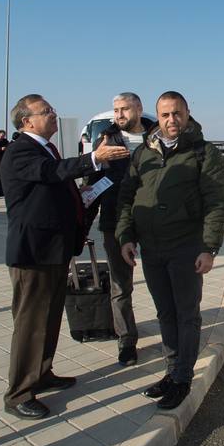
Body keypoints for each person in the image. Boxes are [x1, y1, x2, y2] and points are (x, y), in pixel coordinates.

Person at [0, 94, 117, 419]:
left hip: (53, 250)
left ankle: (43, 372)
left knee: (49, 318)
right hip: (33, 254)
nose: (54, 115)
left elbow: (54, 182)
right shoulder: (21, 150)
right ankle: (19, 392)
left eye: (52, 110)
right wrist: (93, 158)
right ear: (27, 121)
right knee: (31, 323)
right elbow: (51, 172)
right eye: (46, 111)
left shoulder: (45, 148)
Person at [117, 91, 224, 410]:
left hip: (185, 248)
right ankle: (171, 371)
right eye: (165, 115)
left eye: (177, 113)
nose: (171, 120)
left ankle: (182, 378)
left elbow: (217, 203)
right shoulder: (143, 154)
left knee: (187, 315)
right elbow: (126, 197)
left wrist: (209, 248)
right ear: (157, 117)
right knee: (165, 314)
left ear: (187, 113)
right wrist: (126, 236)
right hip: (152, 251)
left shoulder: (203, 152)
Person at [93, 93, 156, 367]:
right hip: (114, 221)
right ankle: (127, 341)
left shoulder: (157, 138)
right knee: (121, 286)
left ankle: (174, 332)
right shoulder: (106, 140)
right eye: (116, 110)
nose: (118, 115)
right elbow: (93, 180)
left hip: (154, 221)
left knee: (162, 281)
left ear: (139, 109)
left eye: (124, 109)